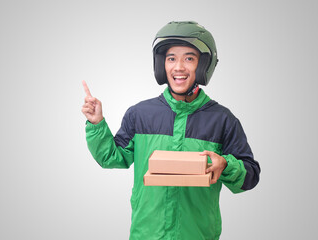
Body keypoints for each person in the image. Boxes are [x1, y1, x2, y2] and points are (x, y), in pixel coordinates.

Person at [82, 21, 260, 240]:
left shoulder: (222, 120)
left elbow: (250, 176)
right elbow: (111, 158)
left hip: (197, 235)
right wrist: (97, 123)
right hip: (146, 234)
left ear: (204, 65)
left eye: (189, 58)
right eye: (171, 58)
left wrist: (225, 165)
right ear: (161, 65)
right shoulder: (140, 114)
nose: (178, 67)